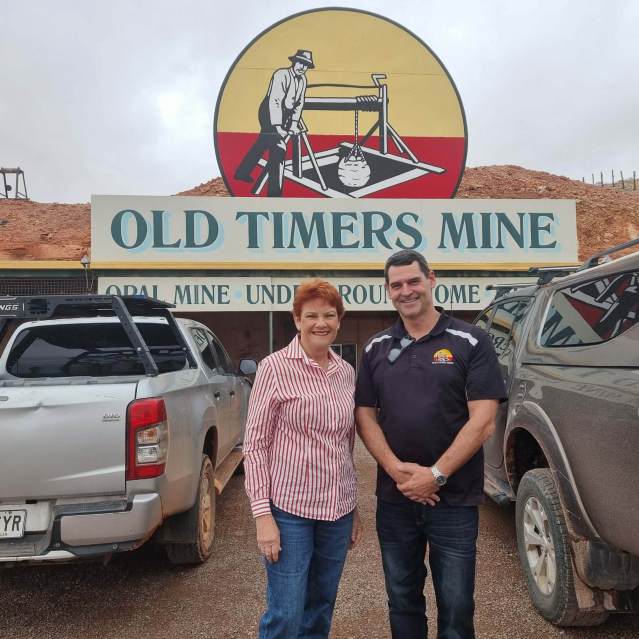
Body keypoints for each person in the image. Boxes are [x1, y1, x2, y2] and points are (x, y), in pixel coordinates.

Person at [355, 249, 506, 639]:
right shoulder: (375, 348)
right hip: (395, 498)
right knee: (401, 598)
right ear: (388, 290)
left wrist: (435, 475)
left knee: (456, 604)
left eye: (413, 281)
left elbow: (483, 419)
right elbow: (364, 415)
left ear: (431, 279)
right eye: (396, 285)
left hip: (454, 498)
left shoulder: (472, 340)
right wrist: (396, 470)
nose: (406, 291)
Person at [243, 278, 362, 638]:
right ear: (297, 320)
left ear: (339, 320)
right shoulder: (274, 368)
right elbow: (255, 445)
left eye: (329, 315)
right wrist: (263, 516)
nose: (320, 323)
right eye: (311, 315)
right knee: (287, 613)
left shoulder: (345, 372)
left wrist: (354, 507)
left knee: (321, 606)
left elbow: (345, 443)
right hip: (290, 511)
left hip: (337, 511)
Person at [234, 49, 314, 196]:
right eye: (300, 63)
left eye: (306, 65)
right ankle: (274, 194)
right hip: (268, 112)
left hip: (285, 115)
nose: (302, 67)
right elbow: (275, 100)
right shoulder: (281, 74)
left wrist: (294, 123)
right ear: (294, 62)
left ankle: (241, 172)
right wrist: (277, 126)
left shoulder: (303, 80)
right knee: (279, 147)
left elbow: (299, 104)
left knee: (262, 143)